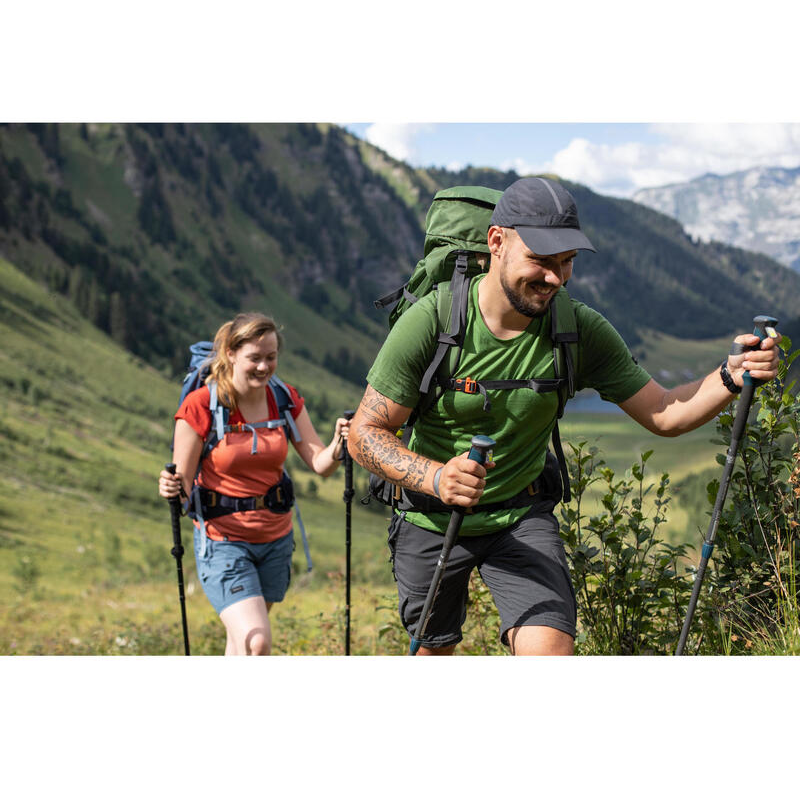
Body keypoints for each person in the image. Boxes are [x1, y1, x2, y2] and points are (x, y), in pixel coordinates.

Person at [348, 176, 781, 656]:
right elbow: (366, 433)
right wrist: (435, 477)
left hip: (520, 516)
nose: (556, 278)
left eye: (566, 262)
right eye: (541, 261)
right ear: (497, 242)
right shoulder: (433, 321)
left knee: (551, 654)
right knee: (435, 654)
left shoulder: (577, 328)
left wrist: (729, 375)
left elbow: (663, 412)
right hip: (431, 518)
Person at [158, 312, 350, 655]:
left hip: (276, 540)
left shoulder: (283, 397)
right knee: (256, 641)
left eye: (271, 357)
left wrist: (338, 444)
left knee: (241, 645)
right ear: (230, 353)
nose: (264, 367)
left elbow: (321, 464)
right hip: (224, 542)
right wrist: (170, 487)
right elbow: (183, 487)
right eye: (255, 358)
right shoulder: (201, 406)